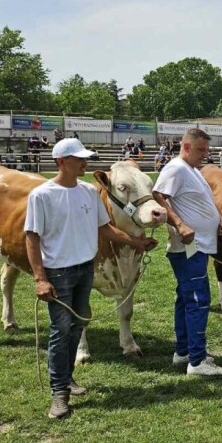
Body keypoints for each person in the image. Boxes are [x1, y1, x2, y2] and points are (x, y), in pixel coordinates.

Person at [25, 138, 157, 419]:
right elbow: (32, 237)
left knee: (77, 324)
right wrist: (40, 278)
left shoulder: (88, 191)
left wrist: (136, 244)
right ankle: (59, 394)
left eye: (85, 158)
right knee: (61, 331)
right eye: (78, 158)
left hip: (85, 268)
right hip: (58, 271)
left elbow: (105, 228)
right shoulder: (42, 195)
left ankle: (68, 378)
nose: (84, 163)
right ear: (61, 162)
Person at [153, 129, 222, 377]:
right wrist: (180, 224)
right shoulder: (175, 168)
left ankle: (184, 351)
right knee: (198, 300)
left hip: (199, 245)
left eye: (207, 150)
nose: (205, 155)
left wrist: (219, 221)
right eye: (201, 150)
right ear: (186, 147)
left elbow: (202, 200)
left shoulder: (193, 171)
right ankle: (197, 361)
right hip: (189, 246)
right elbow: (159, 195)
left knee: (186, 298)